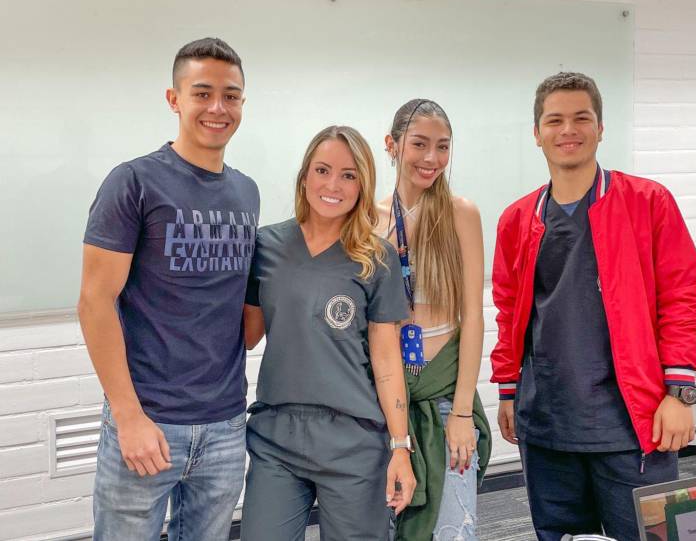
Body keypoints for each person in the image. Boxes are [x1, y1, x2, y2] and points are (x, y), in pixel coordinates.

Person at [491, 72, 696, 541]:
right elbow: (509, 311)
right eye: (555, 120)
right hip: (547, 424)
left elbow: (683, 295)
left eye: (581, 118)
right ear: (537, 133)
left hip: (633, 423)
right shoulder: (517, 219)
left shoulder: (647, 203)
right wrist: (508, 391)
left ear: (600, 127)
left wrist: (680, 391)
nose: (568, 130)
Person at [78, 37, 258, 541]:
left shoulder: (247, 191)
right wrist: (128, 416)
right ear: (174, 99)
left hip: (224, 424)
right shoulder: (133, 182)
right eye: (202, 93)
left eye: (231, 95)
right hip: (147, 421)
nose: (218, 108)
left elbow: (235, 311)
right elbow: (95, 303)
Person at [240, 125, 416, 541]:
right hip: (276, 437)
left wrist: (400, 447)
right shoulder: (265, 247)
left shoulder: (377, 258)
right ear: (305, 176)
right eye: (322, 170)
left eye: (348, 175)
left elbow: (387, 360)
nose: (332, 184)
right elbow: (245, 336)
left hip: (353, 440)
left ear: (362, 185)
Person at [379, 99, 491, 541]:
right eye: (419, 144)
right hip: (388, 397)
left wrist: (463, 410)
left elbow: (474, 317)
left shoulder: (462, 214)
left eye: (442, 147)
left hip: (445, 392)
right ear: (392, 145)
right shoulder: (370, 216)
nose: (431, 159)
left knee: (451, 528)